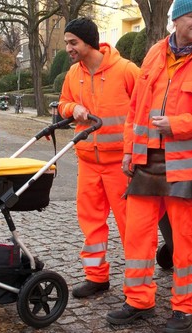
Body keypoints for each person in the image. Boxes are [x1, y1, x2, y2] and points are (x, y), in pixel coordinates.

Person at [105, 0, 192, 332]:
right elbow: (136, 109)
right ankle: (138, 300)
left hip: (188, 168)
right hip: (147, 162)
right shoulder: (153, 54)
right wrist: (129, 152)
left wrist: (175, 125)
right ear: (176, 20)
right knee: (138, 235)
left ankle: (185, 308)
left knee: (186, 239)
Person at [58, 17, 139, 299]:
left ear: (89, 42)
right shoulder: (72, 73)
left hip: (121, 166)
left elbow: (144, 109)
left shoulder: (126, 70)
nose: (68, 47)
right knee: (91, 223)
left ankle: (138, 290)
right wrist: (73, 108)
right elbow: (62, 103)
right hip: (88, 163)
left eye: (73, 42)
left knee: (132, 227)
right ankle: (96, 277)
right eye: (67, 42)